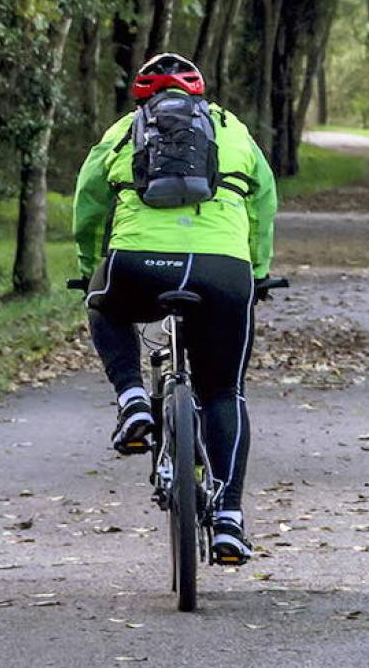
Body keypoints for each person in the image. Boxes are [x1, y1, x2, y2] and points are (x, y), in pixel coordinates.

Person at [71, 53, 278, 565]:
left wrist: (88, 265)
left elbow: (89, 203)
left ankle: (134, 398)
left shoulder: (121, 131)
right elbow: (264, 201)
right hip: (223, 273)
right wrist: (256, 270)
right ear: (199, 95)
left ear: (142, 98)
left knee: (103, 302)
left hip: (137, 265)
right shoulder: (232, 128)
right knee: (225, 391)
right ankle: (229, 516)